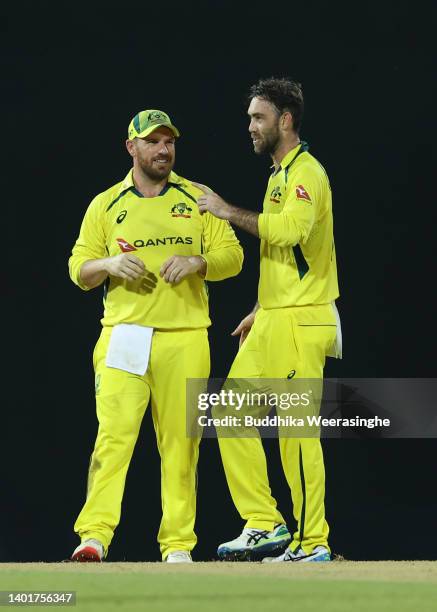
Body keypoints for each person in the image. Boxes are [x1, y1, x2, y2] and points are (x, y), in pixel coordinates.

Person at [68, 109, 243, 563]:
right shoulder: (106, 204)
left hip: (184, 337)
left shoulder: (197, 197)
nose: (163, 150)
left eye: (169, 142)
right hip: (124, 336)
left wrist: (198, 262)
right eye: (152, 142)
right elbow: (78, 269)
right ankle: (94, 536)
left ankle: (178, 545)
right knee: (113, 438)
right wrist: (107, 265)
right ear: (132, 148)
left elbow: (233, 255)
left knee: (181, 446)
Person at [194, 78, 341, 562]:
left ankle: (312, 542)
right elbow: (285, 257)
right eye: (249, 118)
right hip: (275, 317)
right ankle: (264, 522)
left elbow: (293, 232)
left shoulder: (306, 173)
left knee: (297, 434)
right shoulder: (278, 175)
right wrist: (260, 307)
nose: (250, 127)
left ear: (285, 120)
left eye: (259, 117)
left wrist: (225, 210)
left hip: (301, 321)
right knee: (231, 410)